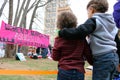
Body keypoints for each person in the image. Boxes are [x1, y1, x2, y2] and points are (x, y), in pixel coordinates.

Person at [58, 0, 119, 80]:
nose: (88, 15)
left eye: (88, 13)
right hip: (114, 57)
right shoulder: (111, 23)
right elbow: (117, 41)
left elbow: (80, 31)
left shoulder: (94, 20)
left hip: (102, 58)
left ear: (92, 9)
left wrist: (63, 32)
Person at [52, 11, 93, 80]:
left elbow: (55, 57)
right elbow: (88, 53)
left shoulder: (59, 38)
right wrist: (93, 62)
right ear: (74, 22)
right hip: (79, 71)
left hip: (64, 70)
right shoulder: (81, 38)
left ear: (59, 24)